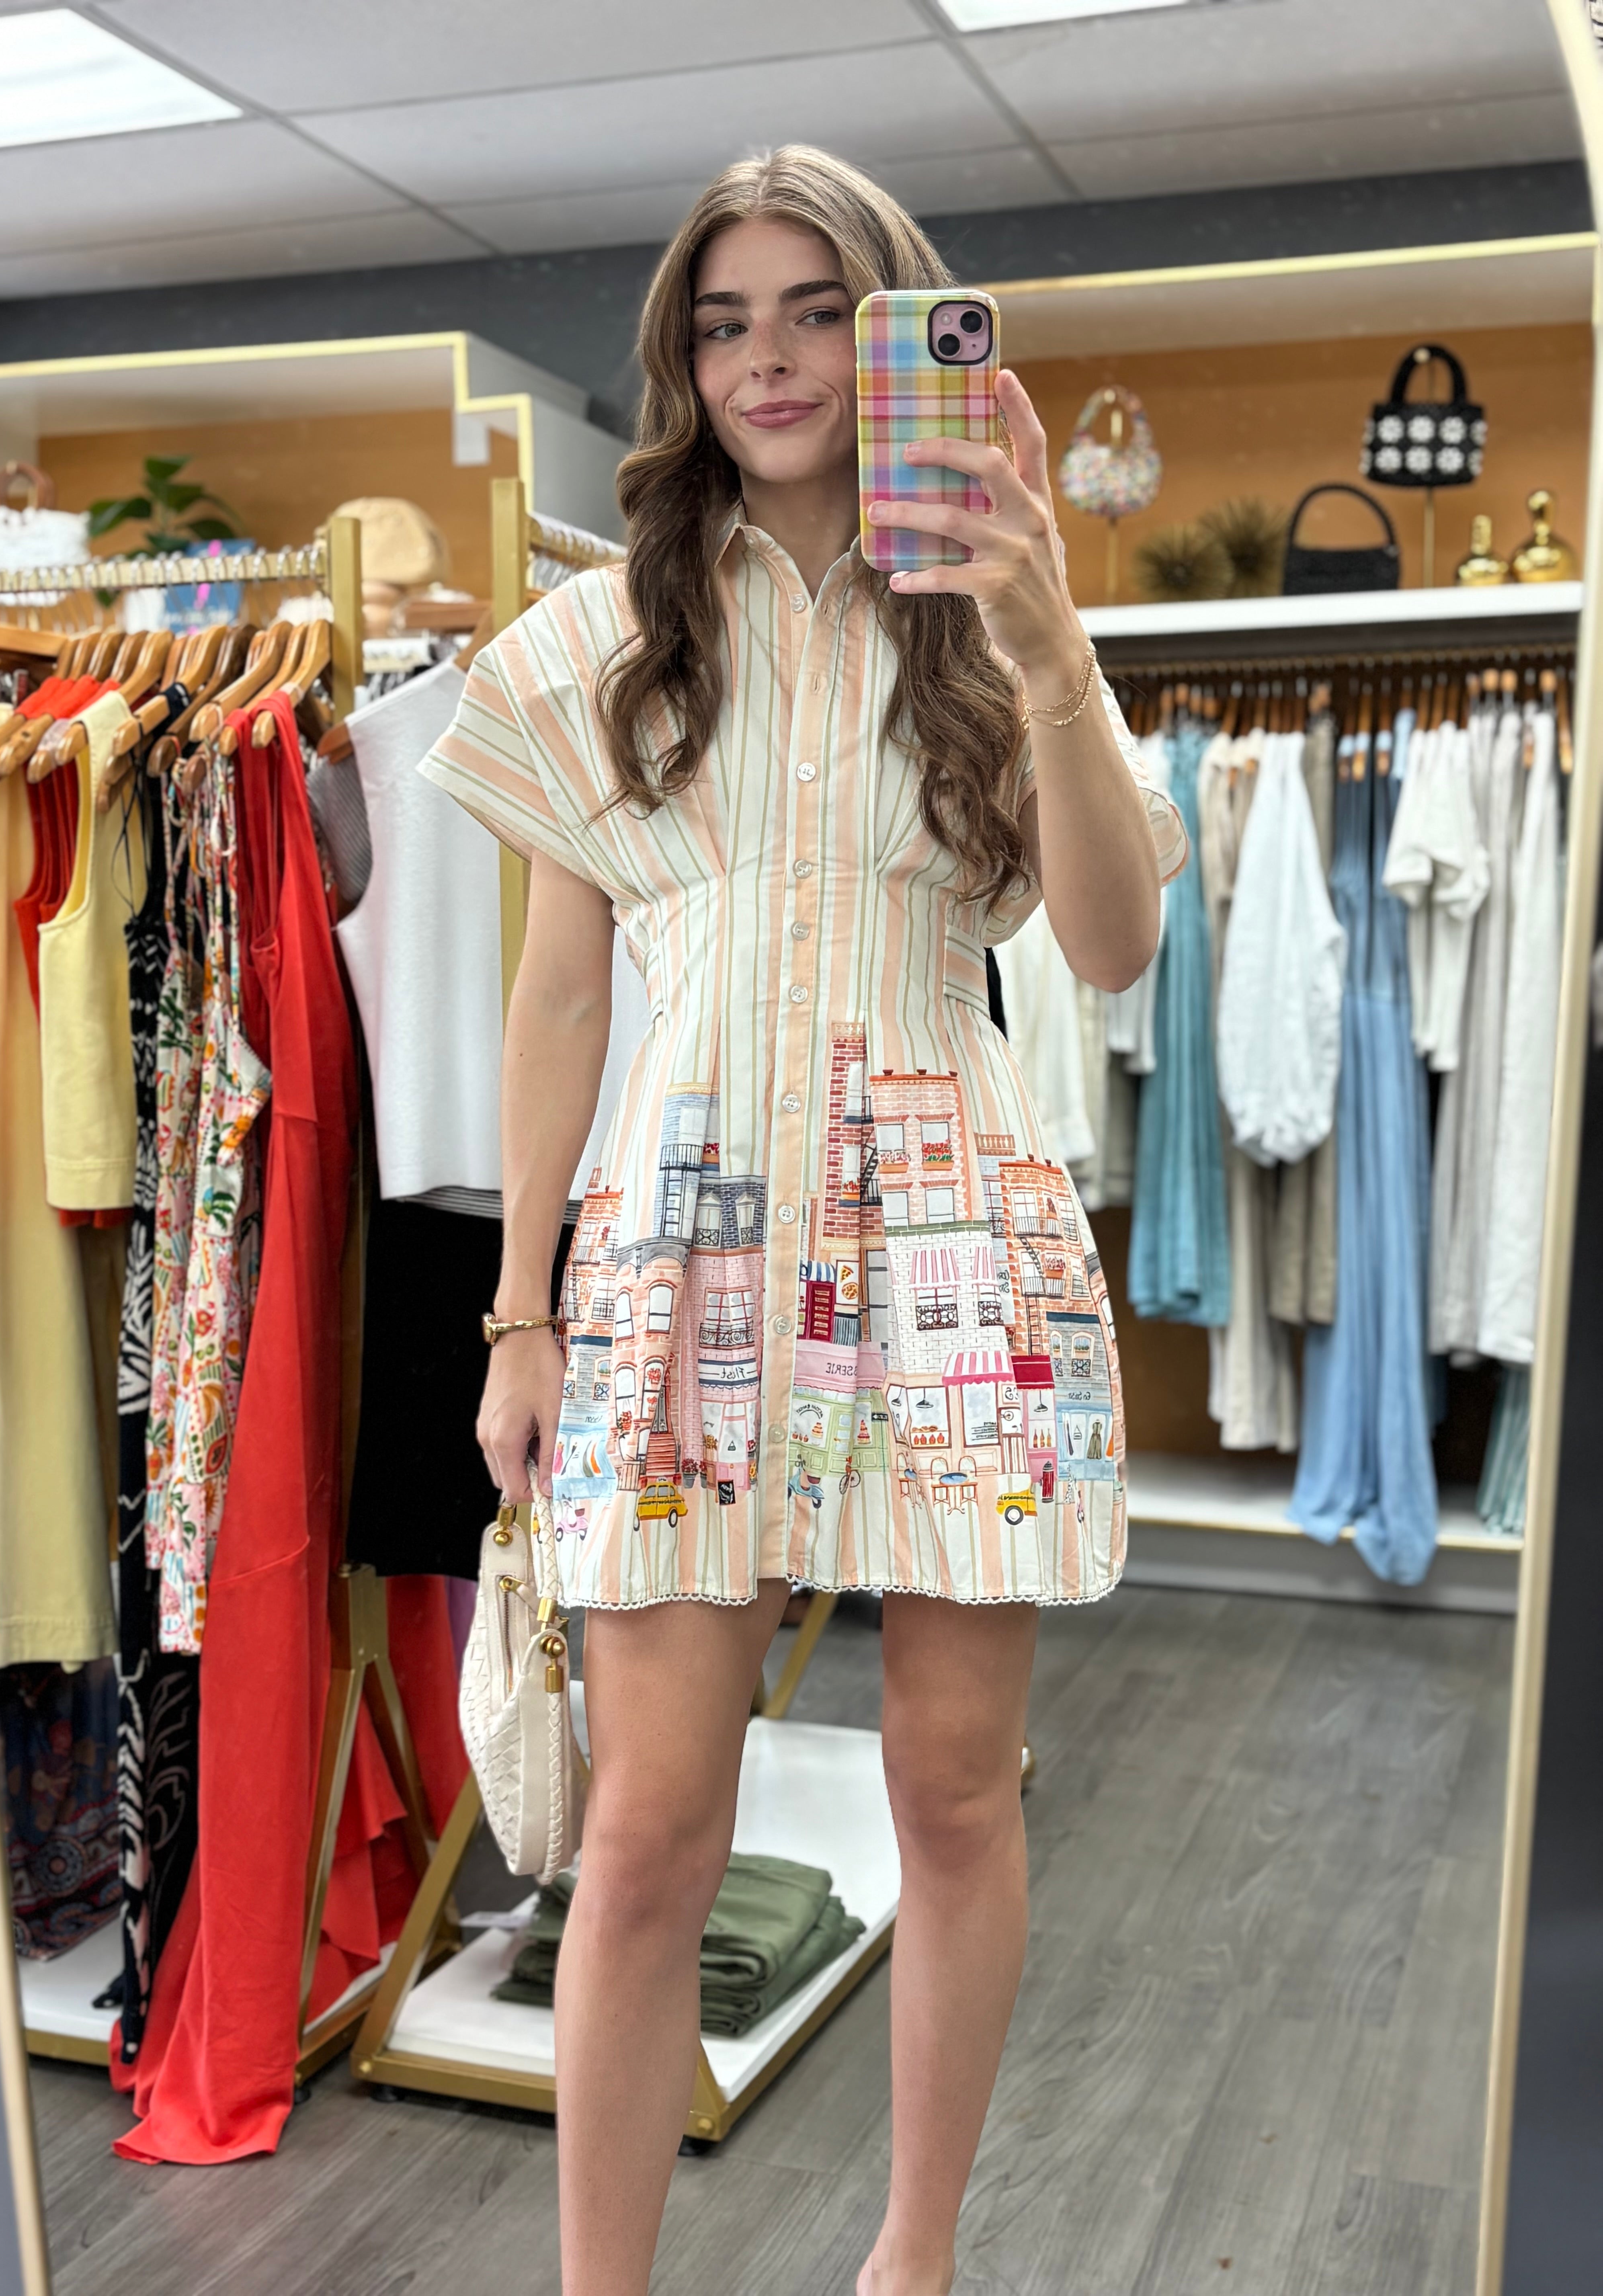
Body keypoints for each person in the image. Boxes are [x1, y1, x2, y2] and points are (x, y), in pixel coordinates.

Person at [425, 144, 1184, 2296]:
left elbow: (1113, 945)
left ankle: (911, 2262)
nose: (767, 359)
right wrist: (517, 1314)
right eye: (723, 321)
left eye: (820, 311)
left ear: (899, 330)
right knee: (650, 1824)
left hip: (958, 1256)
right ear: (682, 361)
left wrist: (1047, 639)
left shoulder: (997, 618)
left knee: (957, 1788)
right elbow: (560, 994)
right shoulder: (598, 642)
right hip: (683, 1262)